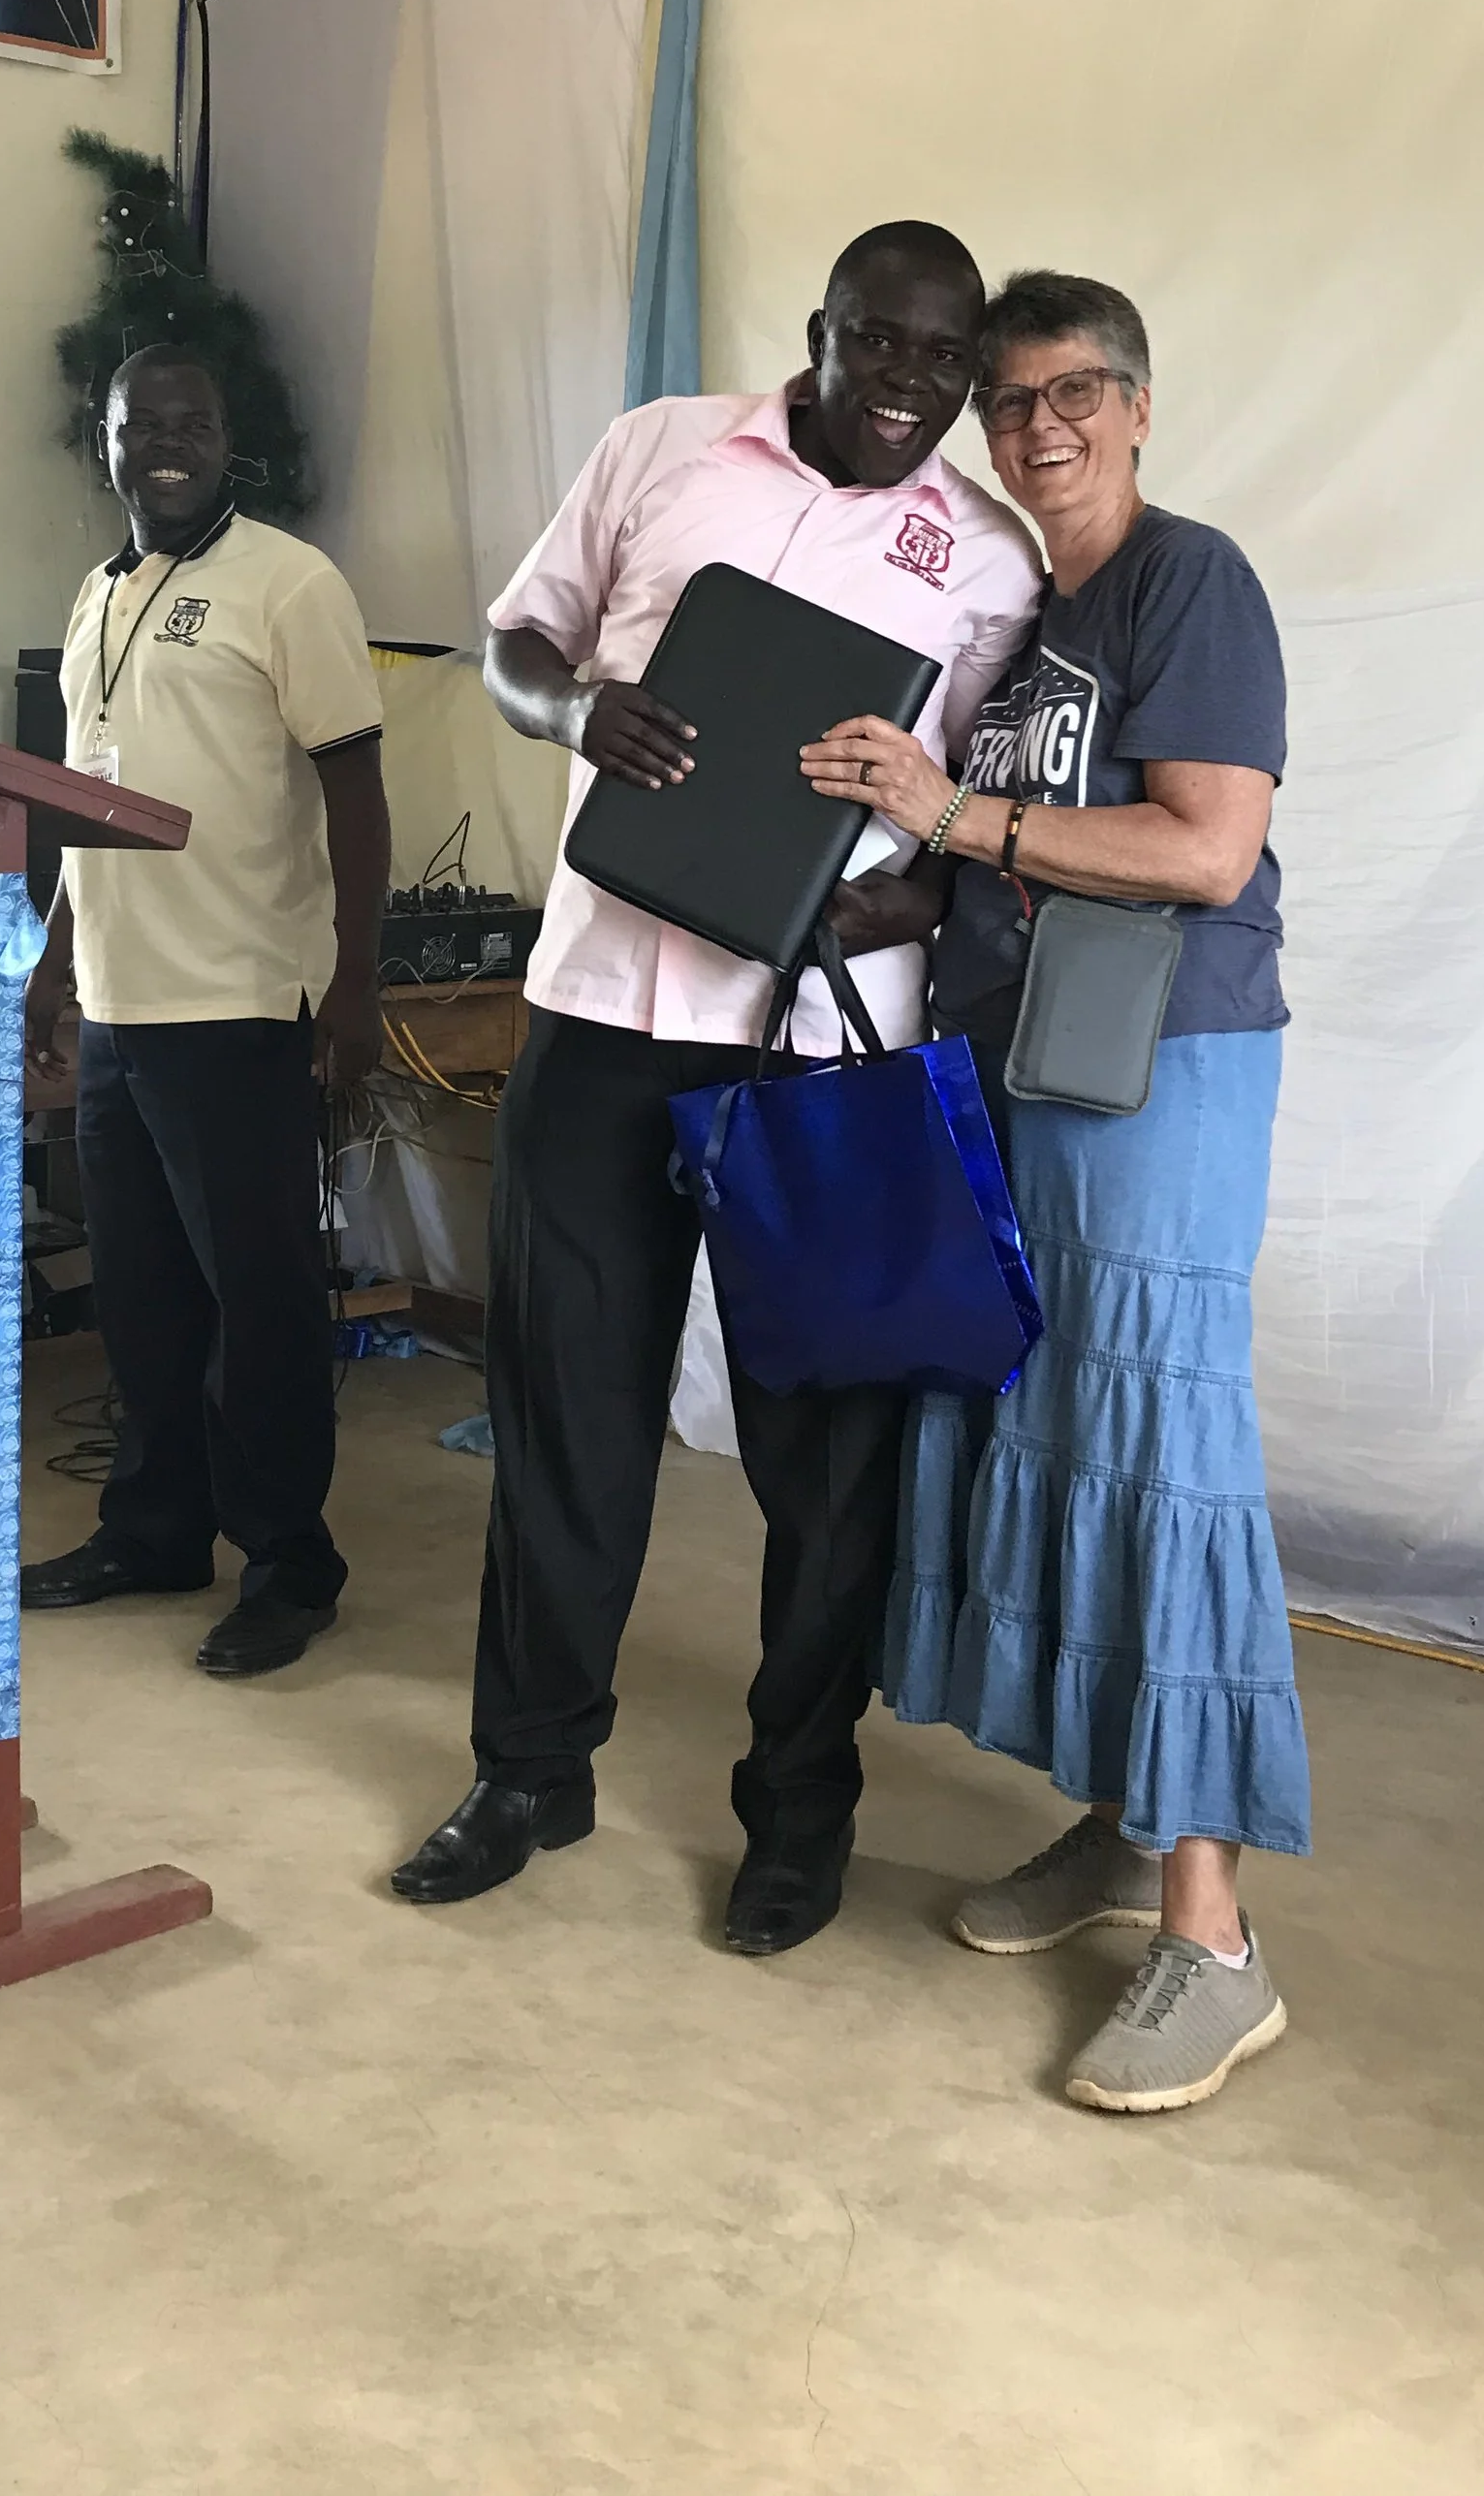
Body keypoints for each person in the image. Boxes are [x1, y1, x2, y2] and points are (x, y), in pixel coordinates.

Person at [390, 224, 1042, 1955]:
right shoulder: (662, 449)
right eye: (880, 342)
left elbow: (979, 820)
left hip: (817, 1048)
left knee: (825, 1468)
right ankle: (529, 1770)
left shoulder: (988, 560)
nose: (908, 385)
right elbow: (517, 642)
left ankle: (799, 1816)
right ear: (819, 331)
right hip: (602, 1014)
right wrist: (575, 714)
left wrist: (897, 900)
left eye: (945, 360)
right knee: (567, 1416)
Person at [801, 269, 1308, 2112]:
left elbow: (1205, 845)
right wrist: (817, 872)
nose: (1040, 426)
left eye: (1076, 391)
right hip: (1021, 1075)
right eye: (1010, 401)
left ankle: (1215, 1944)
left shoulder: (1193, 581)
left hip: (1159, 1077)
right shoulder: (1027, 630)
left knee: (1161, 1458)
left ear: (1140, 406)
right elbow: (984, 861)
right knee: (1061, 1436)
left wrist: (952, 814)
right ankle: (1125, 1820)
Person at [20, 347, 390, 1680]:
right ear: (108, 445)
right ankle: (157, 1528)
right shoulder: (98, 592)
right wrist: (53, 957)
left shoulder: (290, 582)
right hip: (120, 1004)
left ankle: (292, 1561)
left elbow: (355, 788)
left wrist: (355, 981)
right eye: (142, 426)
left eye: (193, 422)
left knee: (262, 1301)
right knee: (142, 1299)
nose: (166, 444)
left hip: (241, 996)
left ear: (228, 441)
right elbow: (88, 796)